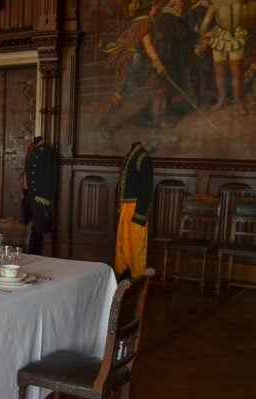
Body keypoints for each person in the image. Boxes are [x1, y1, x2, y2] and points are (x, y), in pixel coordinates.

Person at [97, 0, 171, 139]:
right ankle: (103, 124)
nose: (159, 8)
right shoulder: (145, 23)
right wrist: (157, 62)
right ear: (151, 6)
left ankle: (158, 121)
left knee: (158, 89)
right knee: (120, 95)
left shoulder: (144, 21)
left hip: (143, 63)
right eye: (157, 5)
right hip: (134, 64)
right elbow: (147, 46)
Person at [199, 0, 249, 115]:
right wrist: (205, 36)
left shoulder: (239, 3)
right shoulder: (215, 4)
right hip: (219, 37)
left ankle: (237, 101)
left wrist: (204, 34)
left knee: (236, 72)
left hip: (237, 36)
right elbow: (204, 26)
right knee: (220, 71)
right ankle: (222, 99)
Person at [115, 142, 154, 279]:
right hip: (125, 208)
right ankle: (125, 272)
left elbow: (146, 188)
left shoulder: (143, 157)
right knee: (123, 243)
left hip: (136, 209)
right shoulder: (130, 156)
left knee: (135, 245)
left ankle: (138, 277)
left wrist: (140, 214)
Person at [23, 136, 58, 254]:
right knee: (31, 226)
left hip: (40, 196)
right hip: (31, 194)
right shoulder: (33, 147)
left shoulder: (47, 150)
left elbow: (50, 175)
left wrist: (45, 197)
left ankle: (38, 253)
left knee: (39, 227)